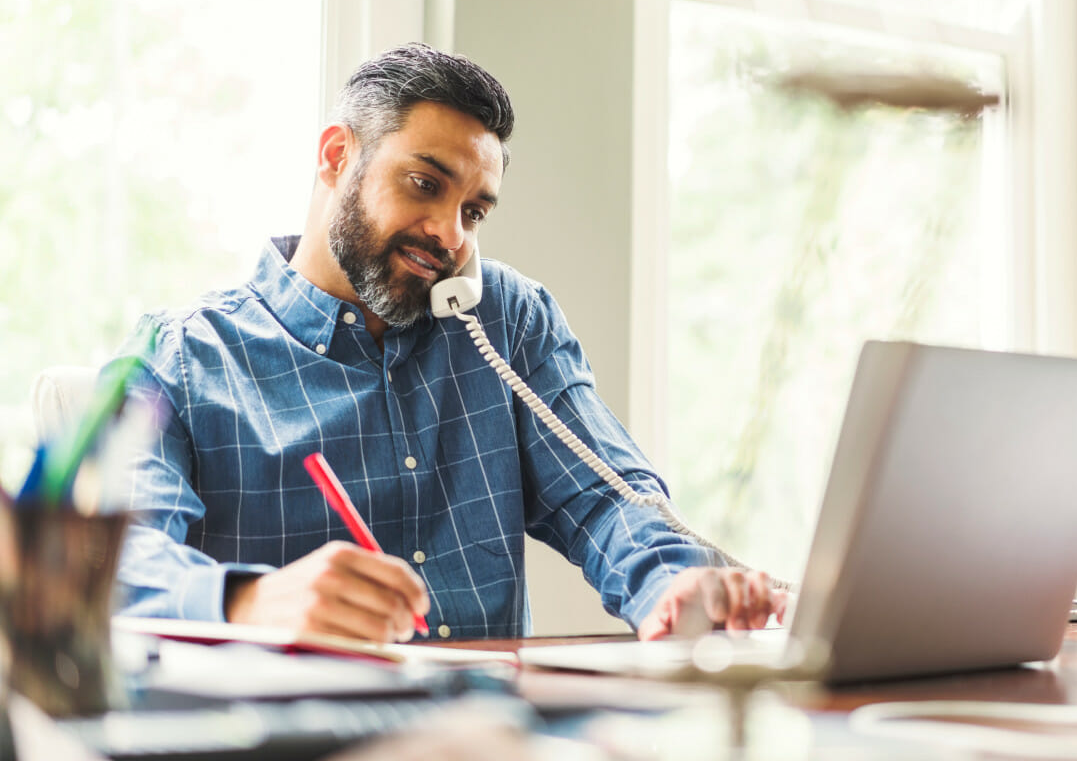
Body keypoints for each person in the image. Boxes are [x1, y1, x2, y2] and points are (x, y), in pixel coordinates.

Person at [112, 43, 783, 643]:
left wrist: (672, 584)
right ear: (337, 157)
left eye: (473, 210)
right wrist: (251, 601)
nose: (449, 234)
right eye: (424, 184)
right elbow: (114, 559)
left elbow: (606, 496)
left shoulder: (508, 321)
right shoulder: (182, 357)